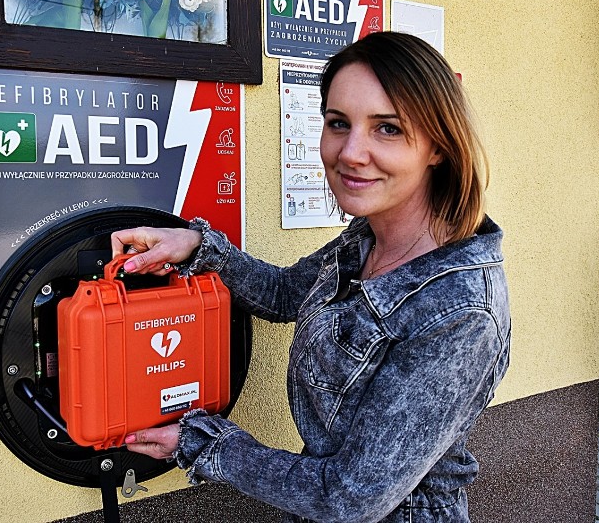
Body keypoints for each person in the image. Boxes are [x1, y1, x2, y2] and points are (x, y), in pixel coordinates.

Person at [110, 31, 510, 523]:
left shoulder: (461, 311)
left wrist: (205, 444)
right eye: (338, 123)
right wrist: (198, 247)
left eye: (387, 129)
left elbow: (350, 497)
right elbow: (285, 294)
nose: (351, 152)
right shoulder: (368, 236)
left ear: (438, 147)